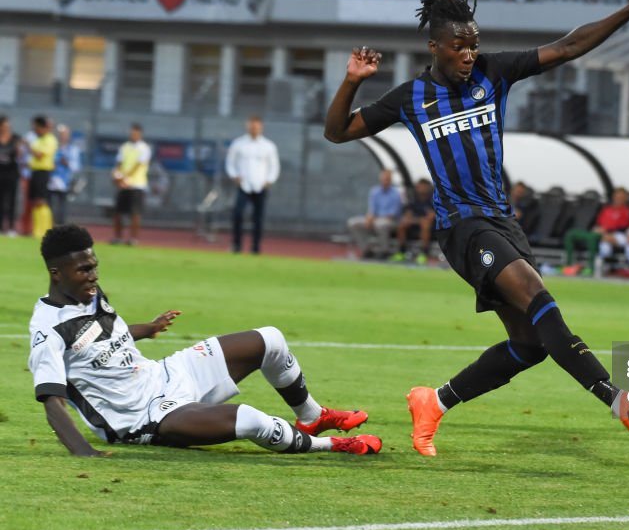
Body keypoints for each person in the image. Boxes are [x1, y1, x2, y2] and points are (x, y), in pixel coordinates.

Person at [323, 0, 629, 455]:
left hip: (502, 223)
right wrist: (351, 82)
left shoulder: (495, 73)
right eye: (459, 46)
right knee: (536, 295)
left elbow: (569, 47)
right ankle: (617, 401)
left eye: (474, 45)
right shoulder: (411, 98)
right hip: (462, 229)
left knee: (530, 345)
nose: (469, 54)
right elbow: (338, 132)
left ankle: (434, 402)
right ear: (435, 47)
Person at [29, 224, 380, 458]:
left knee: (270, 340)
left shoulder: (86, 294)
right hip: (143, 415)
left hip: (165, 375)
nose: (94, 275)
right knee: (252, 421)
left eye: (94, 266)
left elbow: (103, 338)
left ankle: (312, 416)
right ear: (56, 274)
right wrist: (84, 453)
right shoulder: (48, 331)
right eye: (84, 270)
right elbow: (51, 404)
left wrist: (147, 329)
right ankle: (331, 445)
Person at [226, 115, 280, 255]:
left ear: (261, 127)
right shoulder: (238, 144)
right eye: (252, 126)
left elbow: (274, 166)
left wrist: (269, 180)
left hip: (260, 186)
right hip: (244, 185)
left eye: (256, 126)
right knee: (238, 214)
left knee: (258, 218)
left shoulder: (268, 146)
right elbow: (230, 163)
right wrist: (234, 176)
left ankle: (255, 247)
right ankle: (236, 245)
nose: (254, 128)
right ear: (247, 126)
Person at [562, 186, 629, 276]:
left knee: (594, 239)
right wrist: (596, 228)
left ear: (625, 198)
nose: (618, 198)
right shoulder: (606, 209)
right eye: (617, 196)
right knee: (571, 234)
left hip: (610, 235)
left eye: (621, 197)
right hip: (598, 232)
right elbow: (597, 222)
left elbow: (623, 227)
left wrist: (606, 231)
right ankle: (568, 265)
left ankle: (591, 267)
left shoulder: (626, 211)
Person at [346, 169, 402, 258]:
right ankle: (366, 250)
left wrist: (374, 219)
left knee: (380, 224)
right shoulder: (374, 191)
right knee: (353, 223)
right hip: (375, 219)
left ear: (391, 180)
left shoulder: (396, 193)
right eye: (384, 179)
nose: (385, 181)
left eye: (387, 179)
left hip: (391, 221)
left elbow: (392, 214)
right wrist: (369, 217)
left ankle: (384, 251)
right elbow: (371, 209)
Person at [111, 123, 150, 246]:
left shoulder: (144, 148)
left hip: (137, 185)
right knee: (118, 212)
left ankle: (133, 239)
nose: (133, 135)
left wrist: (125, 178)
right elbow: (119, 163)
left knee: (135, 213)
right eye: (131, 133)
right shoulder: (125, 147)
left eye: (135, 133)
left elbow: (138, 165)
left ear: (140, 134)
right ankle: (118, 237)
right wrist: (117, 176)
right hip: (123, 185)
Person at [26, 115, 57, 239]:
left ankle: (45, 230)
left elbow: (39, 155)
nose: (34, 129)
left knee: (41, 201)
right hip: (35, 171)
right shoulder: (38, 140)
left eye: (36, 126)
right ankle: (37, 229)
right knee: (35, 201)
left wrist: (29, 146)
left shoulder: (50, 140)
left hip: (43, 172)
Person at [391, 178, 436, 264]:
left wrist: (419, 219)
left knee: (425, 224)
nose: (422, 188)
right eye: (420, 186)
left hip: (430, 226)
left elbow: (431, 216)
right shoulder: (413, 199)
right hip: (414, 223)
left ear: (428, 188)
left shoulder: (433, 199)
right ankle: (402, 252)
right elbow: (408, 214)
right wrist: (413, 219)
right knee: (402, 224)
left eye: (424, 186)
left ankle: (424, 253)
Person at [48, 124, 82, 226]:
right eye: (61, 134)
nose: (62, 136)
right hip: (50, 180)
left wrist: (66, 163)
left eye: (64, 134)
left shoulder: (73, 149)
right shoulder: (53, 147)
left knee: (62, 206)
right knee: (50, 205)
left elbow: (76, 167)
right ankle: (49, 225)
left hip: (64, 182)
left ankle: (60, 226)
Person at [0, 115, 22, 237]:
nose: (6, 128)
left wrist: (20, 150)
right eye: (4, 126)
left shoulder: (15, 138)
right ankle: (1, 227)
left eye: (8, 126)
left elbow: (20, 154)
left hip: (12, 173)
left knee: (12, 201)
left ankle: (12, 227)